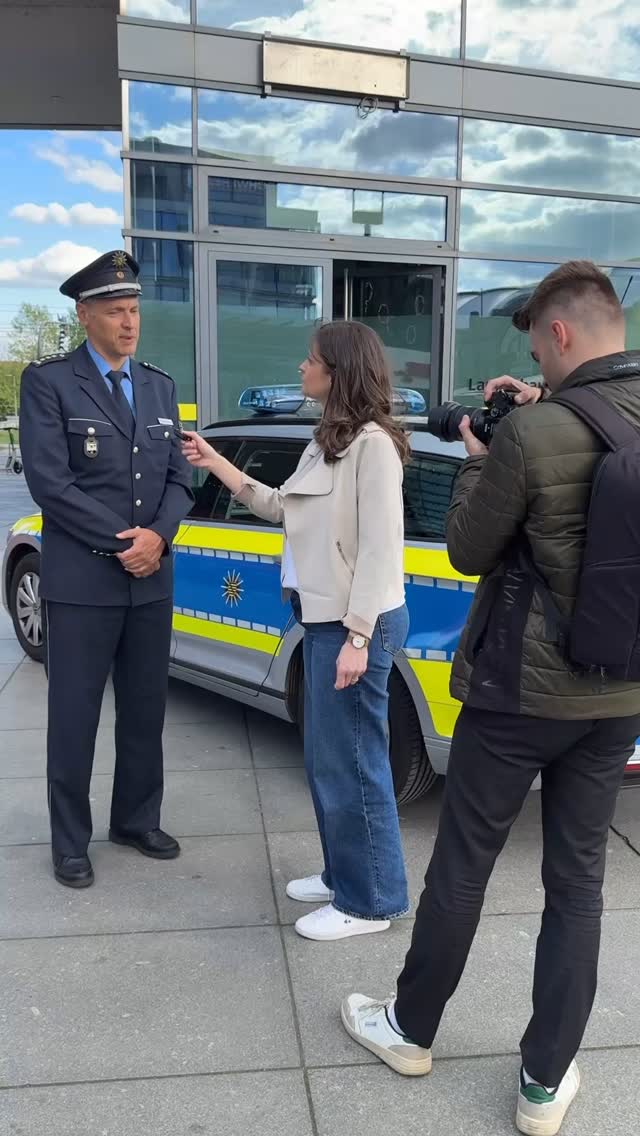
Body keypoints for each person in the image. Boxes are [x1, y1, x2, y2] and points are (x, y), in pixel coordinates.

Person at [339, 261, 640, 1134]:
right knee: (578, 885)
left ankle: (410, 1030)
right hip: (618, 693)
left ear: (558, 334)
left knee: (464, 867)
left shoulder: (534, 431)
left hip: (516, 700)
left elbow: (470, 551)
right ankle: (545, 1085)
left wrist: (487, 454)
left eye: (539, 350)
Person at [182, 320, 410, 941]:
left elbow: (382, 551)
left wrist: (359, 638)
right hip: (323, 621)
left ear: (337, 373)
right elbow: (282, 506)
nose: (302, 368)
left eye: (311, 360)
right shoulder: (328, 441)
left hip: (353, 624)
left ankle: (371, 902)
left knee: (355, 765)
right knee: (327, 761)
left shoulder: (372, 446)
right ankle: (345, 876)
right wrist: (214, 462)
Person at [19, 250, 193, 889]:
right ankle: (70, 841)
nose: (129, 323)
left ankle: (135, 819)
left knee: (146, 711)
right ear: (85, 314)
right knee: (75, 716)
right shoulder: (50, 383)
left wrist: (158, 537)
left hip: (149, 582)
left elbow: (179, 480)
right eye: (116, 311)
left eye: (135, 310)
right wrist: (128, 540)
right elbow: (50, 484)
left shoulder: (159, 385)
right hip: (85, 583)